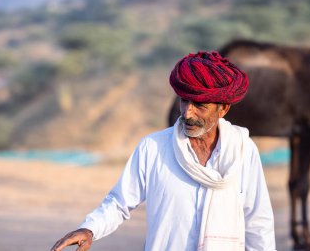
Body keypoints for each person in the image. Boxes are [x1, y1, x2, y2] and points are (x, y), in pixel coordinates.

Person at [51, 51, 276, 251]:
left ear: (223, 109)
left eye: (199, 105)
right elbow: (119, 203)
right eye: (184, 101)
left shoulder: (243, 149)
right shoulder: (153, 147)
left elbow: (257, 220)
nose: (188, 113)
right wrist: (89, 229)